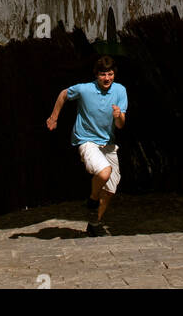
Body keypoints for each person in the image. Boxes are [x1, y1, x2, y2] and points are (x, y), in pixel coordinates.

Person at [47, 55, 127, 236]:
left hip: (108, 144)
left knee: (110, 190)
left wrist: (118, 116)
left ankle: (94, 222)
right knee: (104, 172)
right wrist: (54, 117)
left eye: (110, 74)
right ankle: (91, 201)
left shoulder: (120, 91)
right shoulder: (85, 89)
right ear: (96, 75)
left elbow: (121, 125)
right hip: (86, 140)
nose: (107, 78)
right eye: (103, 75)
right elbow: (64, 94)